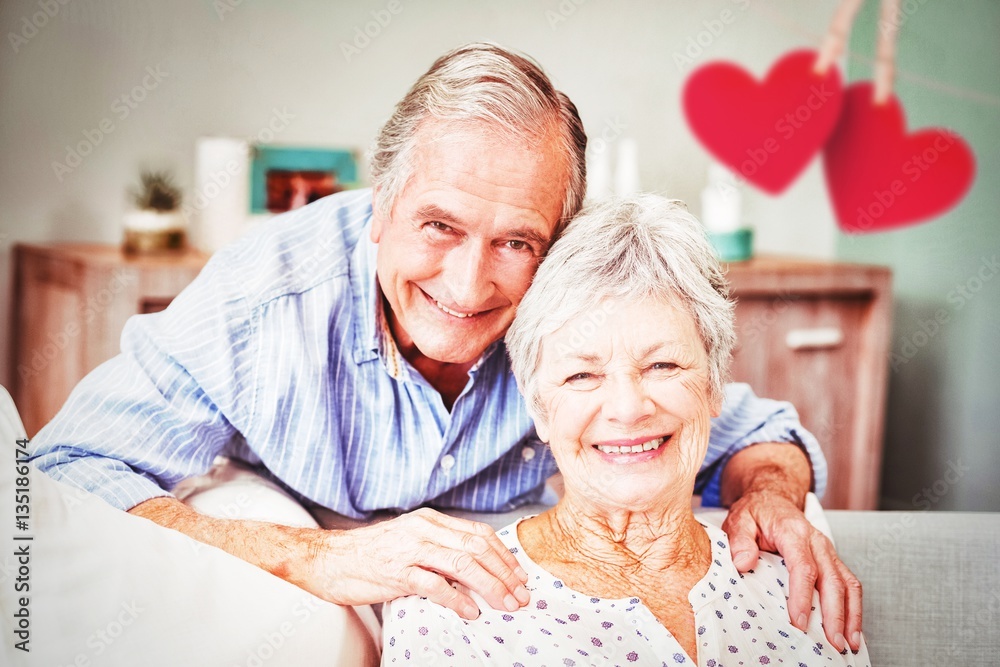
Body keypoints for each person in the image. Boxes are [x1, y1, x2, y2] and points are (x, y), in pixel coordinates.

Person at [28, 42, 860, 651]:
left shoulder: (568, 311)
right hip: (293, 527)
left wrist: (774, 495)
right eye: (439, 227)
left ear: (556, 240)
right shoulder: (266, 299)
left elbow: (744, 429)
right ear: (380, 205)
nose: (466, 287)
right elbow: (66, 467)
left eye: (515, 243)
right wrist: (308, 558)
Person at [382, 194, 870, 665]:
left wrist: (775, 493)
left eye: (662, 364)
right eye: (582, 375)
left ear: (714, 384)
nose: (628, 408)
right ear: (539, 410)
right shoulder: (447, 614)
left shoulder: (797, 578)